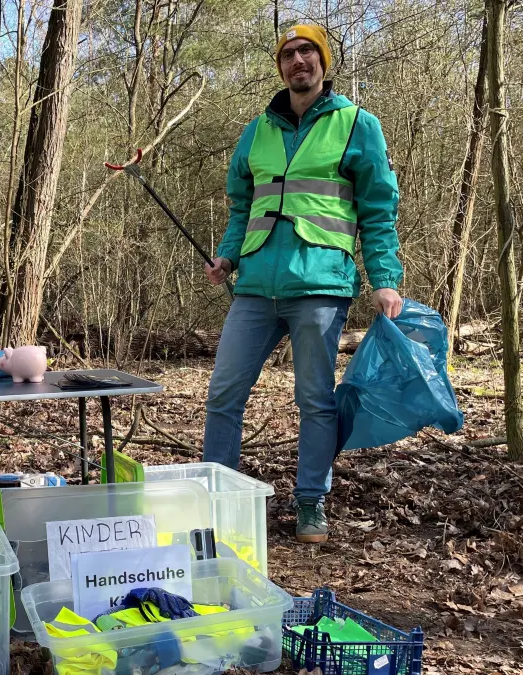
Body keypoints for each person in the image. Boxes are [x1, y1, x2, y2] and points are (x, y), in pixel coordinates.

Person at [202, 24, 404, 544]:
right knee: (224, 392)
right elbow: (242, 204)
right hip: (255, 287)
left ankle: (310, 502)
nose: (298, 61)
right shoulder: (257, 131)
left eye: (307, 52)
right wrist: (227, 255)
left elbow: (378, 211)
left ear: (323, 62)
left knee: (314, 400)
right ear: (280, 66)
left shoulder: (358, 124)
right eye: (289, 54)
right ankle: (212, 497)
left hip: (319, 285)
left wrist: (385, 280)